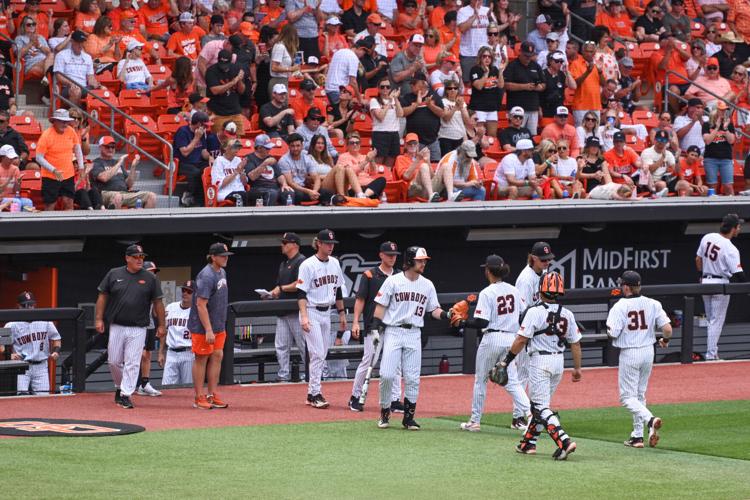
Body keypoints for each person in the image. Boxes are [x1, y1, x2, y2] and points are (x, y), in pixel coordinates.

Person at [497, 271, 581, 459]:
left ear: (540, 290)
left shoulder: (534, 312)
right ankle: (528, 443)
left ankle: (564, 441)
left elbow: (520, 340)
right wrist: (577, 368)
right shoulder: (567, 314)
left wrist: (506, 361)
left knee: (541, 407)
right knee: (539, 407)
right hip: (559, 362)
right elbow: (575, 343)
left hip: (540, 362)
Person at [373, 246, 453, 430]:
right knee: (386, 375)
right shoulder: (393, 281)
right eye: (420, 260)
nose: (423, 263)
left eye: (424, 260)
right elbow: (381, 306)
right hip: (393, 330)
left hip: (414, 333)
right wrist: (375, 329)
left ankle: (408, 418)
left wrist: (447, 315)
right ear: (409, 261)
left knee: (412, 378)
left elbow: (433, 309)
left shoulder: (427, 284)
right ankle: (385, 411)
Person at [457, 254, 530, 432]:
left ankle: (475, 421)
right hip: (511, 339)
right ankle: (530, 415)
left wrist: (463, 322)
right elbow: (524, 312)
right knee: (512, 381)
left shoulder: (487, 292)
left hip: (492, 339)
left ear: (488, 271)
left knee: (480, 380)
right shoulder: (514, 290)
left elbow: (482, 322)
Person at [606, 270, 671, 448]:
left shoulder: (619, 306)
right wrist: (664, 341)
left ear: (626, 287)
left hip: (630, 352)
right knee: (639, 395)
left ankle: (650, 420)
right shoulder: (653, 303)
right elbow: (667, 330)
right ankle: (637, 436)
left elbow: (613, 333)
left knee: (627, 397)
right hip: (648, 352)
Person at [95, 244, 165, 409]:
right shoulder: (114, 273)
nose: (139, 260)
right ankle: (120, 387)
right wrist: (98, 318)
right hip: (117, 325)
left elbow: (158, 302)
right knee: (113, 361)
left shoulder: (150, 278)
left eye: (141, 257)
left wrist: (162, 325)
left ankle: (126, 394)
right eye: (135, 257)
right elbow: (102, 296)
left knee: (133, 362)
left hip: (138, 327)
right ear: (127, 258)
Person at [349, 241, 403, 412]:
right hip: (374, 325)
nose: (392, 258)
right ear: (381, 255)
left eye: (394, 255)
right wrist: (355, 321)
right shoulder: (370, 275)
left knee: (395, 364)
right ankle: (355, 397)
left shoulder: (400, 276)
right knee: (368, 361)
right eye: (389, 255)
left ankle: (394, 399)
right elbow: (360, 300)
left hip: (393, 326)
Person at [297, 229, 347, 408]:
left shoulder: (335, 262)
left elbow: (339, 289)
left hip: (328, 312)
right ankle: (316, 392)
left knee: (322, 353)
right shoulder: (307, 264)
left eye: (332, 243)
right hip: (311, 311)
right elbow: (301, 293)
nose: (330, 246)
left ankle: (311, 394)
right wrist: (303, 317)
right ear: (318, 243)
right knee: (317, 353)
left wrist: (342, 313)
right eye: (327, 243)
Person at [187, 242, 233, 410]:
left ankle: (212, 394)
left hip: (219, 325)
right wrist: (208, 329)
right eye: (222, 256)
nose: (225, 259)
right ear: (213, 257)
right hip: (203, 327)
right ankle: (199, 397)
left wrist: (218, 326)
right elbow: (200, 304)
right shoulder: (206, 275)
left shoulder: (222, 272)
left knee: (217, 356)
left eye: (227, 256)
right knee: (201, 358)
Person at [696, 214, 746, 361]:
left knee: (712, 319)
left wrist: (701, 275)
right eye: (738, 226)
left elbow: (698, 259)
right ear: (733, 228)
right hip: (720, 284)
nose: (739, 228)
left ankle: (713, 352)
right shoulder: (731, 248)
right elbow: (739, 274)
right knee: (716, 321)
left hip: (705, 282)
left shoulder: (708, 237)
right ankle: (711, 355)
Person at [3, 291, 61, 395]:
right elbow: (0, 344)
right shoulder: (12, 324)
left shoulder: (45, 321)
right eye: (25, 305)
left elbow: (56, 338)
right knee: (21, 398)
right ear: (18, 306)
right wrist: (8, 355)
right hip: (21, 366)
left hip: (41, 366)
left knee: (43, 398)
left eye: (31, 305)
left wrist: (56, 351)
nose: (28, 308)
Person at [270, 232, 307, 382]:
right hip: (282, 312)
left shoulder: (302, 261)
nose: (282, 245)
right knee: (281, 346)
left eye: (285, 243)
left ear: (294, 245)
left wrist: (282, 288)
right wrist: (272, 292)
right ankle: (283, 375)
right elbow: (281, 286)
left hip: (297, 311)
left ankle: (313, 373)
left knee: (304, 345)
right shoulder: (283, 263)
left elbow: (300, 283)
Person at [36, 109, 85, 211]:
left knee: (69, 202)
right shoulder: (46, 135)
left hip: (68, 174)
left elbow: (77, 148)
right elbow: (39, 157)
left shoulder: (71, 131)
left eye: (66, 121)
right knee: (50, 205)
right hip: (50, 176)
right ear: (54, 121)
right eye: (62, 121)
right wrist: (53, 170)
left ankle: (70, 226)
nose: (65, 124)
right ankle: (49, 226)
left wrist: (81, 167)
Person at [91, 136, 157, 209]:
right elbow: (103, 178)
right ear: (100, 147)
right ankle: (115, 220)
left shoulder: (116, 162)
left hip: (124, 193)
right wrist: (119, 163)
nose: (110, 149)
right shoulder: (96, 163)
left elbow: (129, 184)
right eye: (107, 147)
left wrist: (133, 167)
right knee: (118, 197)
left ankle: (145, 220)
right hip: (105, 193)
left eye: (113, 147)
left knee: (151, 196)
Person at [394, 132, 462, 202]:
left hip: (427, 188)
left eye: (415, 143)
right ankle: (431, 195)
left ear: (418, 145)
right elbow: (406, 176)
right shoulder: (400, 158)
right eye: (409, 144)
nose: (412, 145)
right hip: (413, 188)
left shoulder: (422, 158)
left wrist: (428, 161)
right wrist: (417, 160)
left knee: (446, 165)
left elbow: (432, 177)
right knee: (423, 166)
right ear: (405, 145)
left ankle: (450, 195)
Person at [173, 111, 218, 207]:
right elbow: (185, 152)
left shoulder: (201, 133)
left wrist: (210, 157)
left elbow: (203, 151)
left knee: (210, 169)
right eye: (205, 125)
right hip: (182, 163)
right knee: (196, 173)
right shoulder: (183, 131)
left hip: (197, 162)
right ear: (198, 124)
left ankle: (205, 199)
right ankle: (192, 196)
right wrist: (196, 138)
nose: (207, 128)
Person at [279, 133, 335, 204]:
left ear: (302, 146)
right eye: (292, 146)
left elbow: (316, 178)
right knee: (298, 195)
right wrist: (308, 191)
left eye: (298, 145)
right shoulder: (284, 160)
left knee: (326, 192)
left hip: (305, 188)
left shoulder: (307, 158)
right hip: (293, 189)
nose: (295, 148)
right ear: (288, 146)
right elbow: (290, 183)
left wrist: (314, 191)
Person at [401, 74, 445, 162]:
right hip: (415, 142)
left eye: (414, 84)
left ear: (423, 84)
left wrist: (430, 105)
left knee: (435, 165)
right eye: (411, 84)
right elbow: (403, 113)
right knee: (416, 166)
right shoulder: (408, 97)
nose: (411, 86)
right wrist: (417, 103)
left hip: (433, 140)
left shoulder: (433, 96)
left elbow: (442, 113)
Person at [503, 42, 545, 135]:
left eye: (530, 56)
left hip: (533, 107)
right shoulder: (512, 65)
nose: (528, 58)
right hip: (517, 107)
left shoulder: (535, 65)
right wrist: (523, 86)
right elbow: (506, 85)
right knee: (516, 134)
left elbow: (544, 84)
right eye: (526, 55)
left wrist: (539, 87)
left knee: (532, 135)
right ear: (520, 52)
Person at [159, 281, 195, 386]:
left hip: (189, 352)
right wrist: (161, 352)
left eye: (189, 291)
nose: (185, 293)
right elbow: (163, 331)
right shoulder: (170, 307)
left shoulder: (197, 311)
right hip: (171, 353)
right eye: (183, 290)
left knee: (188, 388)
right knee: (166, 387)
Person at [53, 30, 99, 107]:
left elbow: (90, 77)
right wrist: (71, 83)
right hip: (67, 87)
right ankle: (76, 116)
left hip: (84, 87)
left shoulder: (87, 57)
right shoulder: (61, 55)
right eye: (78, 42)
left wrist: (94, 83)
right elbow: (58, 76)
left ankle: (94, 117)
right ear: (72, 41)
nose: (80, 45)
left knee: (103, 90)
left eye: (82, 42)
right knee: (76, 90)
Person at [244, 134, 294, 206]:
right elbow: (252, 177)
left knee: (289, 192)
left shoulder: (270, 157)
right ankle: (268, 217)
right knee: (272, 193)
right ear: (259, 148)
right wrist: (264, 163)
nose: (269, 150)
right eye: (267, 148)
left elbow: (279, 175)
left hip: (274, 187)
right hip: (257, 188)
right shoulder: (250, 158)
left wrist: (284, 184)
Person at [206, 49, 246, 135]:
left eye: (226, 64)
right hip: (218, 114)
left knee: (238, 142)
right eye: (222, 64)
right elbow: (215, 91)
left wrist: (239, 80)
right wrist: (233, 81)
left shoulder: (236, 68)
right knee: (220, 142)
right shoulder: (211, 71)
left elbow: (242, 91)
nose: (224, 67)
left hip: (235, 112)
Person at [469, 45, 504, 138]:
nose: (487, 59)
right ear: (480, 58)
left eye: (489, 57)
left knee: (492, 136)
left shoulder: (494, 69)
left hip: (492, 107)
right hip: (479, 108)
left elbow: (501, 85)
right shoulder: (475, 69)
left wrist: (500, 72)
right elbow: (479, 86)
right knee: (479, 135)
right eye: (484, 56)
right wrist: (486, 74)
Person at [702, 103, 737, 196]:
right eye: (721, 110)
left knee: (728, 186)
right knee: (712, 186)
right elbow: (707, 141)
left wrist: (725, 129)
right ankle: (711, 209)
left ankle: (732, 207)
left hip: (726, 158)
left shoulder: (728, 125)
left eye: (724, 110)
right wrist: (717, 127)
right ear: (714, 111)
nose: (724, 112)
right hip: (710, 158)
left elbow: (731, 140)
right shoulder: (706, 125)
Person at [370, 77, 403, 167]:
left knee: (391, 161)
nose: (385, 89)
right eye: (382, 86)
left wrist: (395, 99)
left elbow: (400, 114)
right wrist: (389, 102)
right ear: (378, 88)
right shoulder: (374, 101)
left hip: (394, 133)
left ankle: (387, 179)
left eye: (387, 87)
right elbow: (380, 117)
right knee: (378, 161)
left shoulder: (394, 100)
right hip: (380, 133)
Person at [569, 41, 603, 126]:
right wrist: (587, 72)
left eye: (591, 51)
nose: (589, 54)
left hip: (595, 105)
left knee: (595, 133)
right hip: (581, 105)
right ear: (582, 51)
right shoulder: (575, 63)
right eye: (586, 51)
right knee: (581, 131)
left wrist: (600, 71)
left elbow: (604, 83)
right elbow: (575, 83)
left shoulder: (597, 64)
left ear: (594, 52)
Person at [324, 38, 366, 106]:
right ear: (360, 48)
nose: (363, 55)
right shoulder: (353, 57)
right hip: (338, 91)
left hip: (328, 89)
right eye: (364, 52)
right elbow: (353, 82)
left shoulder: (339, 51)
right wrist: (359, 99)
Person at [456, 0, 491, 80]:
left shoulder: (487, 10)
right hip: (468, 54)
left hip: (484, 54)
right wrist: (475, 15)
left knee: (485, 81)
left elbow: (494, 29)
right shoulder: (463, 11)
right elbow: (462, 28)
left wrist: (507, 23)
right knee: (468, 81)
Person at [211, 138, 250, 205]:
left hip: (240, 191)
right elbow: (220, 185)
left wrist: (241, 172)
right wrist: (236, 172)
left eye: (238, 147)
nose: (237, 149)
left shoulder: (238, 160)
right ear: (225, 148)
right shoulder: (219, 161)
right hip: (225, 192)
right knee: (241, 196)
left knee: (255, 195)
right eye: (234, 147)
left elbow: (244, 183)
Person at [439, 79, 472, 155]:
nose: (452, 90)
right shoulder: (443, 101)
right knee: (448, 162)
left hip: (459, 136)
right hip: (446, 136)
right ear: (446, 90)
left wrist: (461, 107)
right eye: (450, 88)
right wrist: (455, 107)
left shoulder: (461, 102)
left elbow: (467, 121)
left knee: (459, 162)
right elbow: (446, 118)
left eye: (455, 88)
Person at [0, 145, 34, 212]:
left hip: (13, 197)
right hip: (1, 198)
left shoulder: (15, 169)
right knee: (16, 202)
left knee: (28, 202)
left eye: (12, 158)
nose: (12, 160)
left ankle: (25, 222)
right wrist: (9, 180)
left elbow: (16, 191)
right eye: (9, 158)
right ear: (2, 157)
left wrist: (18, 182)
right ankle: (13, 222)